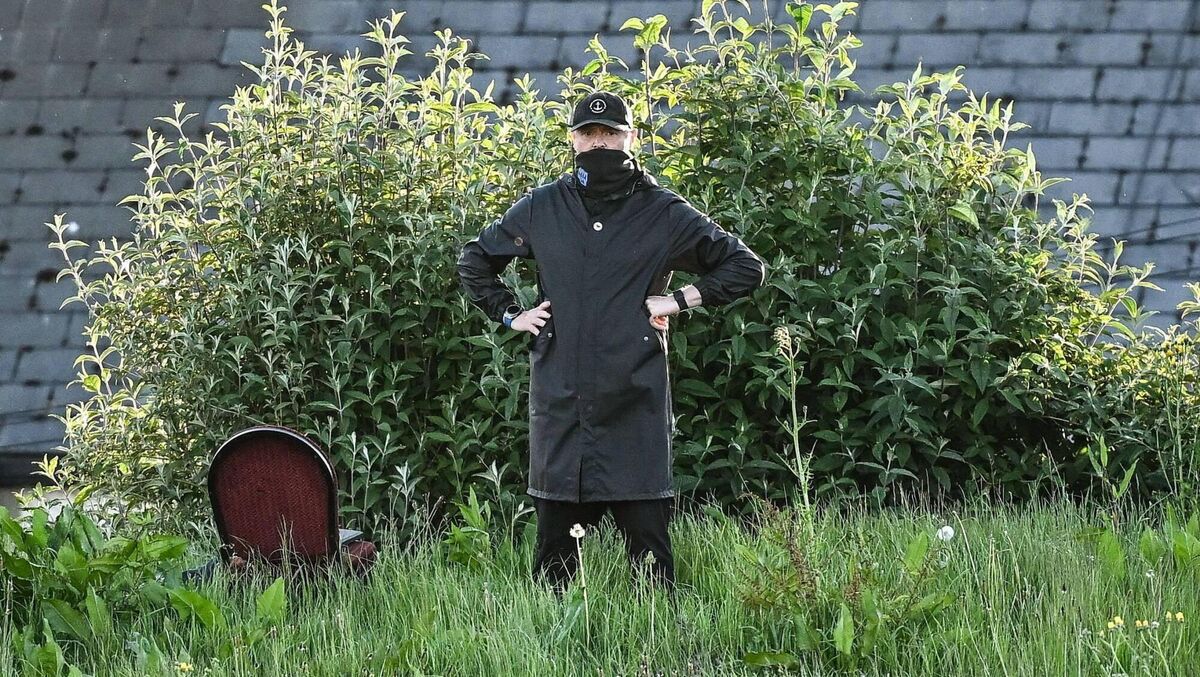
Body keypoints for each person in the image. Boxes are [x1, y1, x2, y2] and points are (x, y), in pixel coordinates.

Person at [456, 90, 767, 596]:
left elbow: (744, 266)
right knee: (554, 557)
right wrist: (512, 314)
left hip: (634, 397)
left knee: (649, 553)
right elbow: (476, 260)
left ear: (631, 139)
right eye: (588, 134)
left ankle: (653, 641)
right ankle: (552, 647)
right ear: (573, 141)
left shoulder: (663, 211)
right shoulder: (543, 206)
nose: (599, 144)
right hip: (561, 395)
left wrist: (679, 300)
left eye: (610, 134)